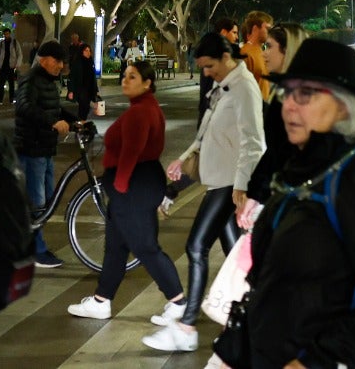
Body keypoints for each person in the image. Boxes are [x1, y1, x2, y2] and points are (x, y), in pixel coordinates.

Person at [246, 38, 355, 368]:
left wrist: (316, 361)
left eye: (305, 94)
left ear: (344, 106)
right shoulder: (305, 165)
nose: (288, 106)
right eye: (286, 93)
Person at [144, 31, 265, 352]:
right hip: (218, 179)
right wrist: (182, 162)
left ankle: (186, 326)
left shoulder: (244, 89)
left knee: (196, 246)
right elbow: (205, 134)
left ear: (226, 58)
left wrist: (241, 186)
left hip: (229, 183)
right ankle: (255, 315)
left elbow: (254, 143)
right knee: (235, 256)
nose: (206, 72)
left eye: (209, 65)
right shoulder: (223, 87)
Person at [66, 60, 186, 320]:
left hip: (132, 186)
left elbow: (132, 150)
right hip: (139, 183)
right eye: (125, 75)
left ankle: (177, 301)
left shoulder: (140, 112)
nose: (125, 80)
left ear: (147, 83)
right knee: (116, 246)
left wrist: (119, 186)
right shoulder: (145, 107)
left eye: (132, 77)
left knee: (145, 247)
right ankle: (101, 300)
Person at [16, 39, 73, 269]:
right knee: (38, 204)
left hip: (45, 150)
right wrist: (52, 122)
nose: (61, 65)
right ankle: (36, 251)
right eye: (58, 61)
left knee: (47, 200)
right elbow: (23, 106)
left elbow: (54, 109)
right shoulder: (31, 79)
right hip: (31, 149)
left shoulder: (49, 81)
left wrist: (74, 120)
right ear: (44, 59)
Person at [245, 21, 309, 210]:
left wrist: (255, 194)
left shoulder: (297, 96)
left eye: (269, 47)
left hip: (291, 197)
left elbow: (280, 152)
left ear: (287, 51)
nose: (264, 53)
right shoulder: (282, 91)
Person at [197, 17, 241, 127]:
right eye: (234, 32)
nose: (236, 37)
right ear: (223, 32)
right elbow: (208, 91)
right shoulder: (214, 56)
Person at [239, 9, 273, 97]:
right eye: (267, 28)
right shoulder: (244, 53)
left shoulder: (262, 52)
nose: (270, 32)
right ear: (255, 28)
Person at [66, 39, 99, 121]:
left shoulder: (90, 62)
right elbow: (72, 77)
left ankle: (81, 124)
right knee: (83, 107)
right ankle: (81, 125)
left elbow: (93, 78)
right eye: (86, 51)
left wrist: (96, 89)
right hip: (80, 89)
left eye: (89, 51)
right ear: (82, 52)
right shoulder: (77, 63)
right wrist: (71, 90)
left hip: (89, 89)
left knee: (86, 108)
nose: (88, 52)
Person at [0, 27, 19, 105]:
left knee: (11, 84)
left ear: (10, 34)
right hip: (3, 66)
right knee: (1, 83)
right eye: (5, 34)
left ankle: (12, 99)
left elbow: (19, 53)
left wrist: (17, 65)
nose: (6, 35)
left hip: (11, 66)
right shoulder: (1, 43)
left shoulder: (14, 42)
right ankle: (0, 99)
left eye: (7, 34)